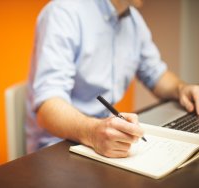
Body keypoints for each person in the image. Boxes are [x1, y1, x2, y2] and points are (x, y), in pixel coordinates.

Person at [26, 0, 199, 158]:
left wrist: (182, 89)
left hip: (102, 138)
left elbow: (155, 74)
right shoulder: (63, 13)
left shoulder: (134, 21)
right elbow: (47, 108)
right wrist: (92, 133)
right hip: (58, 147)